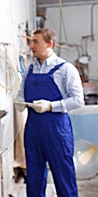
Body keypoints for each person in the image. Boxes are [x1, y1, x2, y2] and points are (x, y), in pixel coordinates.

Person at [15, 28, 84, 197]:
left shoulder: (66, 69)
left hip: (57, 131)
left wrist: (51, 106)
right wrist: (18, 103)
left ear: (49, 44)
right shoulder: (30, 70)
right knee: (34, 178)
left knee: (63, 176)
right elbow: (21, 95)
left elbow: (78, 100)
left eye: (36, 42)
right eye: (31, 42)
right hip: (32, 131)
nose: (32, 46)